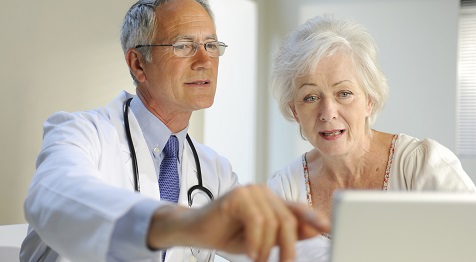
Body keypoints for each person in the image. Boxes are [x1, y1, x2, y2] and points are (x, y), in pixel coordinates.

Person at [20, 1, 329, 261]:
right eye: (184, 46)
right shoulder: (82, 132)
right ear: (138, 64)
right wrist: (183, 224)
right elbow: (52, 197)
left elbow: (278, 247)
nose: (204, 60)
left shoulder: (214, 170)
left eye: (210, 45)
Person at [266, 15, 476, 261]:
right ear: (295, 111)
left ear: (369, 101)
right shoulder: (285, 188)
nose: (328, 113)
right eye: (310, 97)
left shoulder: (421, 166)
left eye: (344, 93)